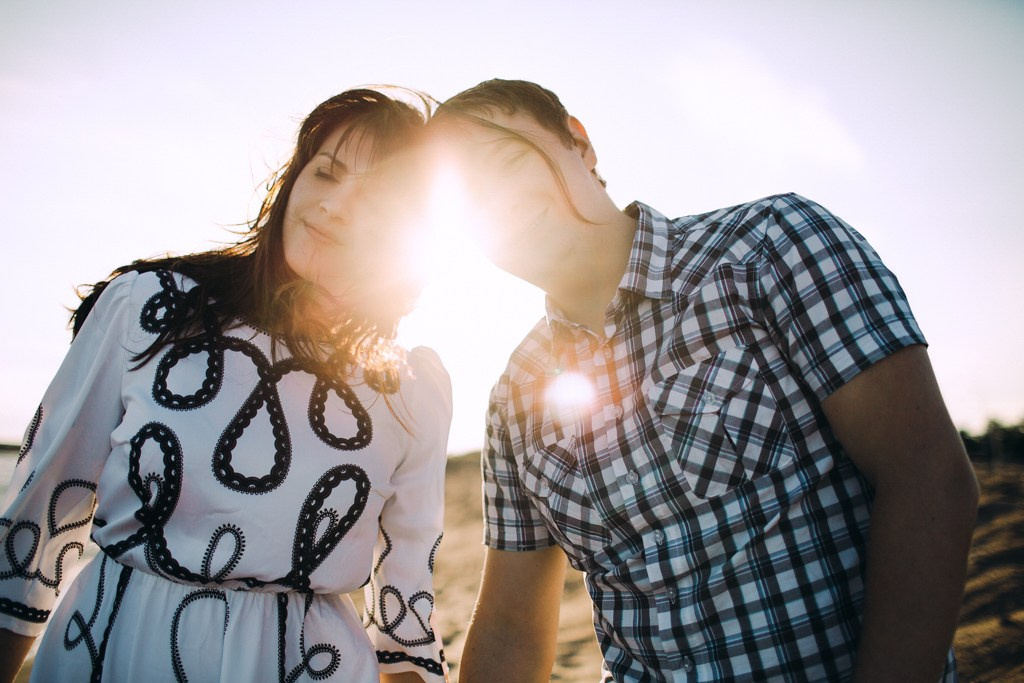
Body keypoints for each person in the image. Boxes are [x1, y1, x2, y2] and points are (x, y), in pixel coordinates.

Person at [429, 79, 979, 682]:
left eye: (508, 161)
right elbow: (510, 625)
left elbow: (925, 474)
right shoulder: (515, 395)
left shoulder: (771, 247)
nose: (498, 202)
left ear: (578, 142)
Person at [0, 88, 451, 683]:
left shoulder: (410, 387)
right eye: (326, 174)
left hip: (311, 666)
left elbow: (405, 613)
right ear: (292, 182)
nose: (335, 206)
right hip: (112, 649)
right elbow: (35, 526)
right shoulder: (151, 308)